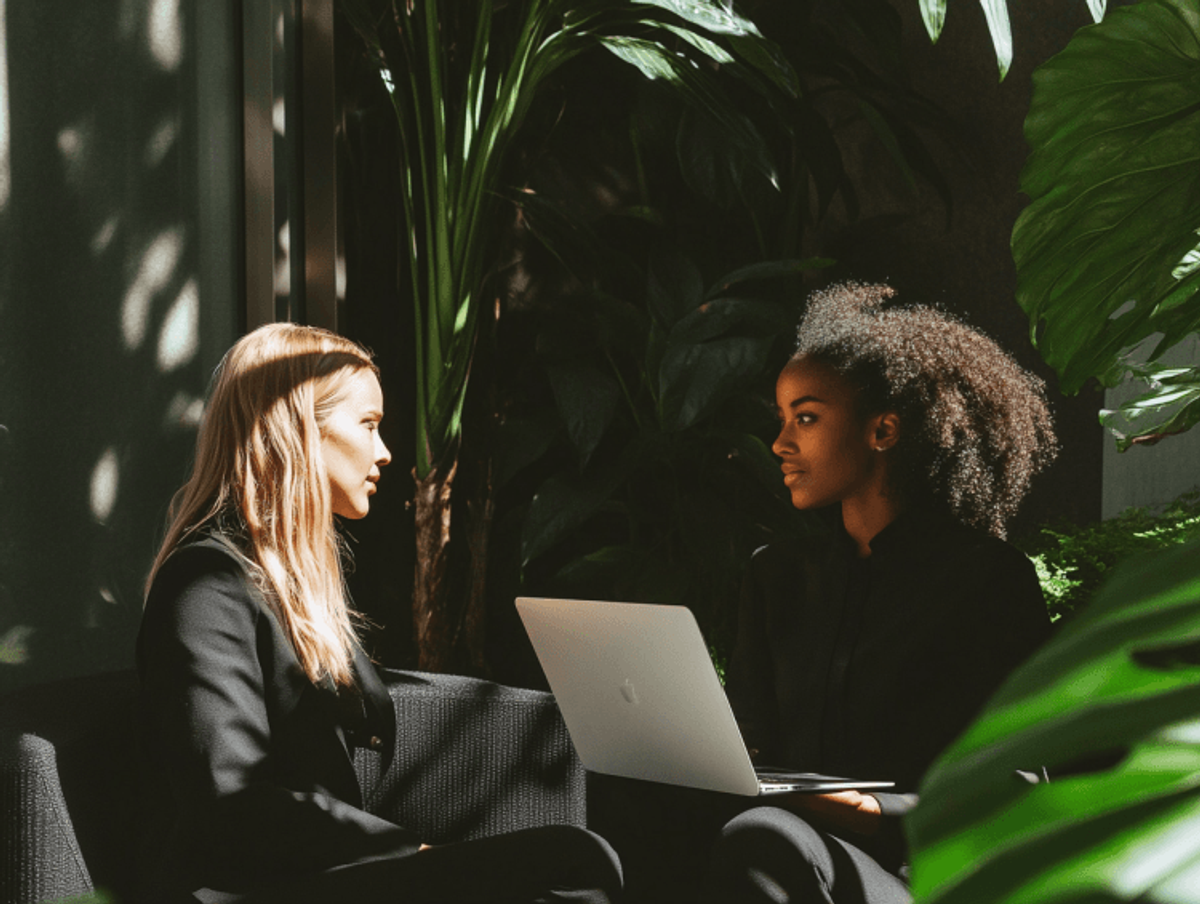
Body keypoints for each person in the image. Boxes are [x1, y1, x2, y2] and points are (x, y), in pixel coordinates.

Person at [135, 323, 622, 904]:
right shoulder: (205, 586)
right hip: (257, 890)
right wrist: (410, 856)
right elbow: (234, 800)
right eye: (367, 425)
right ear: (297, 433)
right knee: (572, 860)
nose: (386, 451)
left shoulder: (291, 582)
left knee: (578, 864)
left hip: (331, 876)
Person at [711, 282, 1057, 903]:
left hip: (918, 870)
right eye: (783, 419)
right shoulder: (777, 575)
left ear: (884, 430)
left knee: (766, 836)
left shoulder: (985, 580)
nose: (780, 443)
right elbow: (749, 735)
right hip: (781, 837)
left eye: (806, 418)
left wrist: (871, 811)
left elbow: (1019, 778)